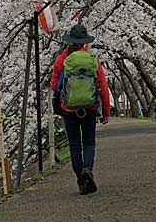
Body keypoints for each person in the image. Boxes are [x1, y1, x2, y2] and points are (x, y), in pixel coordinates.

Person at [50, 24, 111, 195]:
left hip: (68, 109)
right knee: (89, 142)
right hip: (90, 108)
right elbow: (103, 87)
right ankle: (88, 170)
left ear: (69, 41)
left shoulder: (61, 60)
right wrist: (106, 111)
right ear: (85, 43)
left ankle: (80, 180)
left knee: (74, 145)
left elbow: (55, 85)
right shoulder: (92, 61)